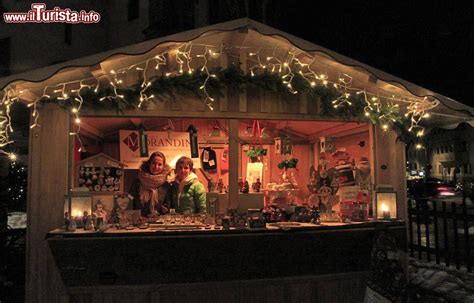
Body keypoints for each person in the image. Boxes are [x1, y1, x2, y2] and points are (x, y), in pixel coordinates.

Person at [129, 151, 172, 217]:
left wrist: (165, 208)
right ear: (149, 164)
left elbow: (168, 205)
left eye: (160, 164)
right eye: (153, 163)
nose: (156, 167)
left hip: (158, 222)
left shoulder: (166, 185)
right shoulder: (137, 182)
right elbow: (130, 202)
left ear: (163, 166)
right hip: (139, 222)